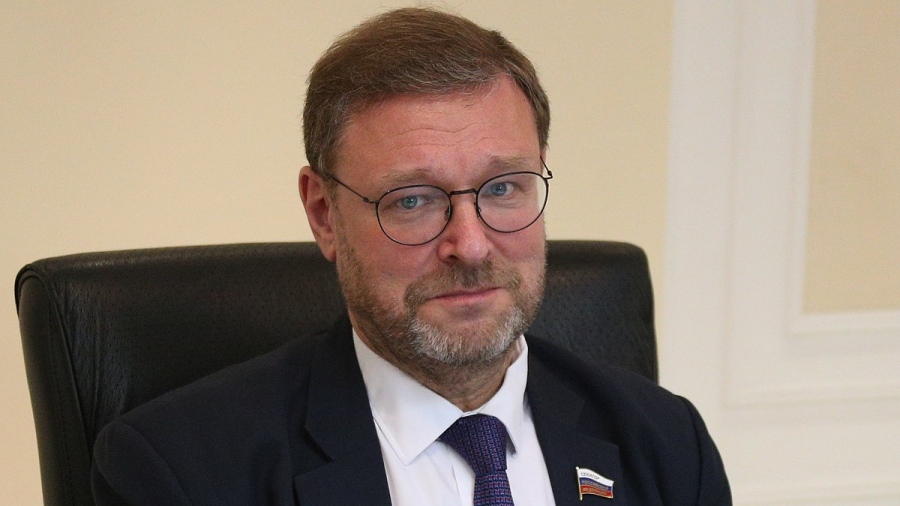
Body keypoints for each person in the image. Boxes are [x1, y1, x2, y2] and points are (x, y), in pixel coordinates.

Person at [91, 7, 731, 505]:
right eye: (413, 200)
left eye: (502, 188)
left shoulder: (667, 444)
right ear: (324, 214)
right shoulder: (183, 473)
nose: (470, 245)